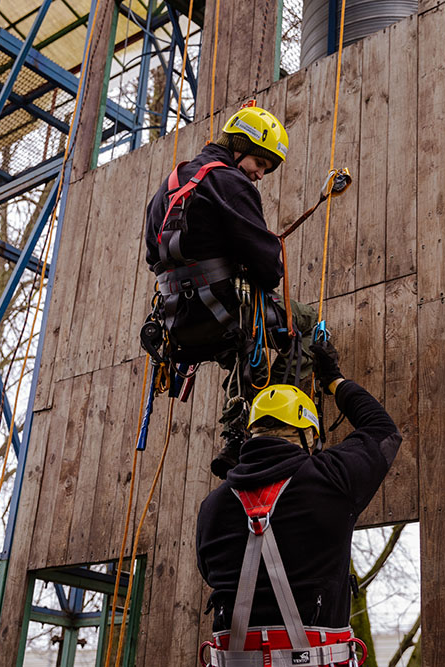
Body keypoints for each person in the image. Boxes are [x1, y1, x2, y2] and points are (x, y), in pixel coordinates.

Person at [195, 340, 402, 667]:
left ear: (251, 435)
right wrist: (334, 380)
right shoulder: (331, 479)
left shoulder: (212, 506)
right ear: (310, 436)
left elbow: (209, 572)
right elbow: (382, 430)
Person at [143, 103, 316, 476]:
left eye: (266, 169)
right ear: (241, 146)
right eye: (260, 163)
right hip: (226, 307)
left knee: (238, 349)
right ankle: (267, 431)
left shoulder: (169, 185)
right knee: (306, 328)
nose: (260, 175)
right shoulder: (230, 183)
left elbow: (151, 254)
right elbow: (268, 268)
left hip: (179, 322)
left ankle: (236, 437)